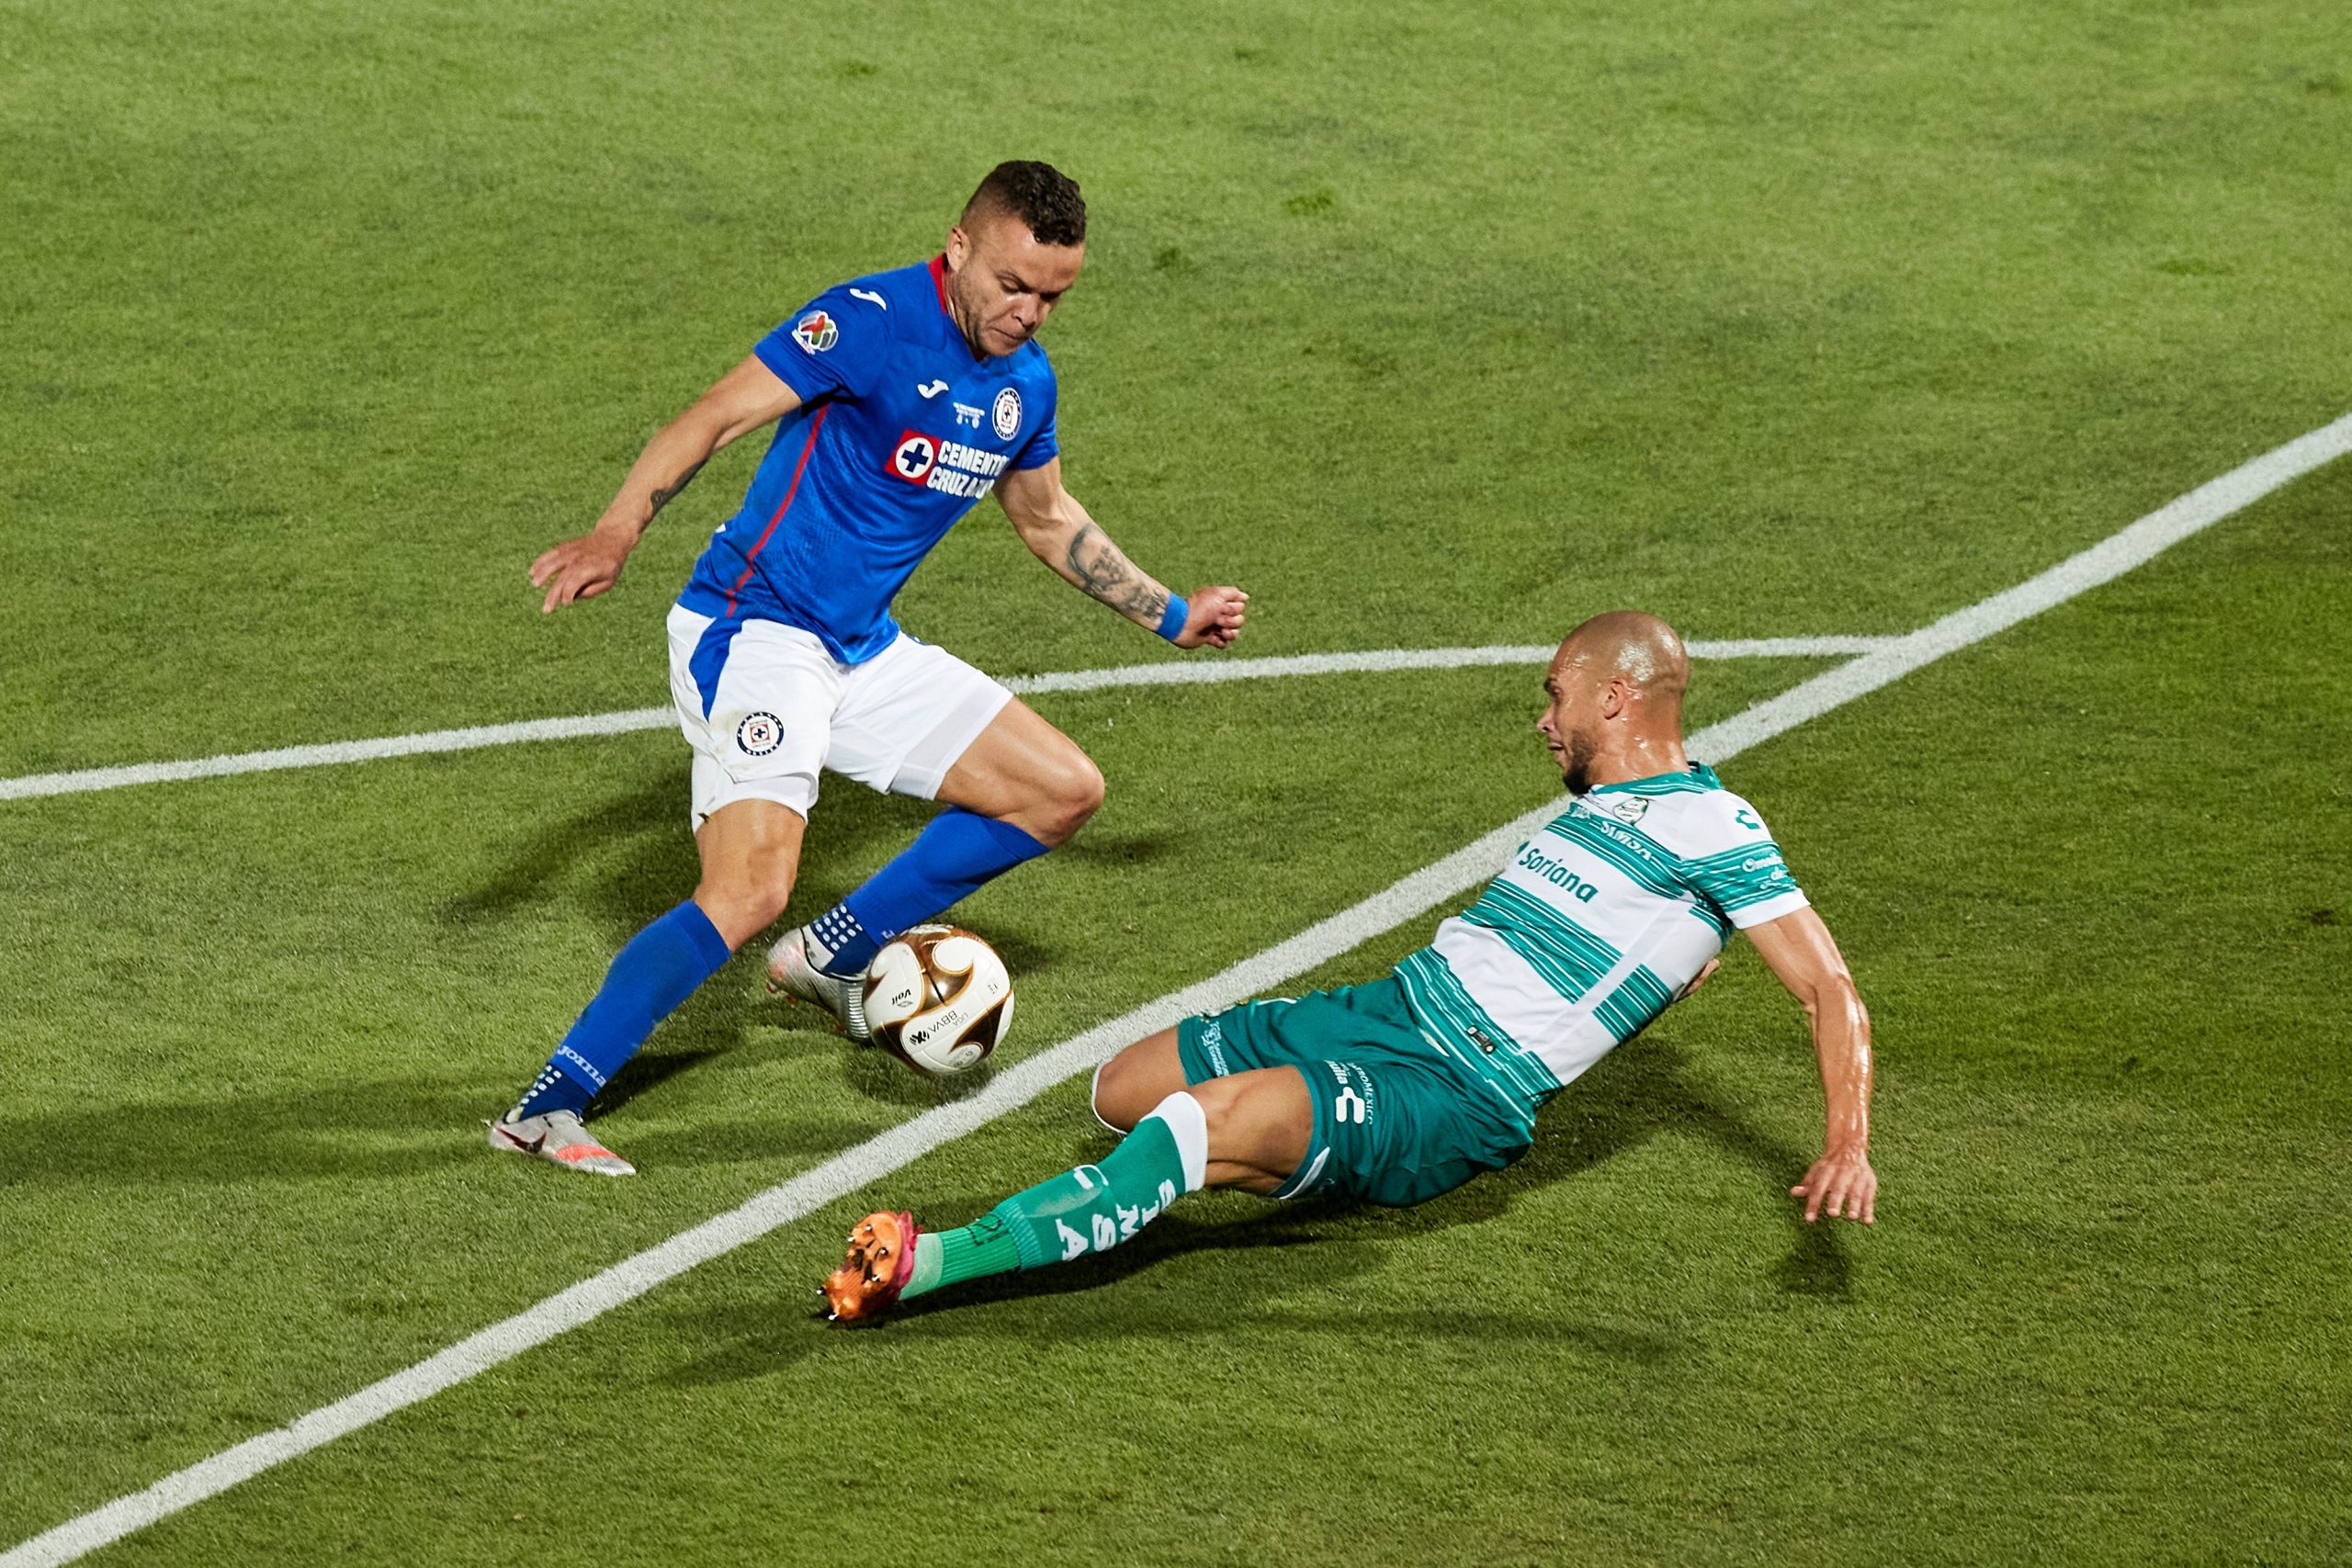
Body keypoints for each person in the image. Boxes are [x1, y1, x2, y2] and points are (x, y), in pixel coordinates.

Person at [490, 161, 1249, 1176]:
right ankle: (546, 1109)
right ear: (961, 247)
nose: (1028, 314)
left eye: (1052, 297)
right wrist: (616, 531)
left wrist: (1169, 612)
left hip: (861, 646)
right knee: (751, 888)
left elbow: (1046, 518)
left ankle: (833, 953)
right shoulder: (869, 320)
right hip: (753, 631)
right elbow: (712, 415)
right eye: (1012, 286)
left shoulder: (1025, 386)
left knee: (1060, 791)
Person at [821, 611, 1875, 1319]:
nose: (1542, 719)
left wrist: (1846, 1145)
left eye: (1557, 695)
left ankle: (930, 1264)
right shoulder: (1606, 813)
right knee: (1121, 1093)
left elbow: (1826, 985)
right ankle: (1284, 1142)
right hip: (1384, 1008)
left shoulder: (1716, 825)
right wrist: (1682, 956)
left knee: (1194, 1127)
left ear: (1614, 699)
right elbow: (1632, 933)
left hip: (1453, 1086)